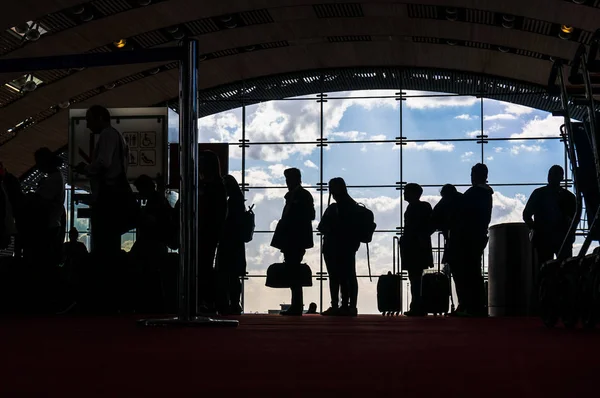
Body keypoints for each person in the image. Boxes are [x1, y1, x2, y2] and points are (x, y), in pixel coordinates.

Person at [75, 105, 133, 258]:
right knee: (111, 239)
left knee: (103, 238)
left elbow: (103, 162)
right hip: (115, 193)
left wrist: (87, 169)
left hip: (107, 195)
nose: (87, 125)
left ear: (100, 118)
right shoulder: (117, 136)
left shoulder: (107, 135)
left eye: (89, 120)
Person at [271, 168, 315, 316]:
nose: (287, 182)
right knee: (293, 270)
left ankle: (296, 305)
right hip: (293, 239)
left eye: (289, 179)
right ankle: (296, 304)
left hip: (295, 239)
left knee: (293, 271)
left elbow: (310, 215)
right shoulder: (296, 196)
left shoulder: (301, 196)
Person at [450, 163, 493, 317]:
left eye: (473, 174)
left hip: (468, 238)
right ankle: (476, 305)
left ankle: (469, 305)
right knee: (473, 271)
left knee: (467, 272)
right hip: (478, 236)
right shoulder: (486, 194)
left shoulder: (474, 193)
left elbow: (464, 213)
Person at [318, 177, 361, 316]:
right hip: (347, 246)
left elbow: (322, 227)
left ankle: (337, 305)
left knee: (335, 277)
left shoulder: (334, 208)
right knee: (348, 276)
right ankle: (349, 306)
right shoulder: (353, 206)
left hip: (334, 246)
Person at [523, 165, 576, 266]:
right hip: (562, 238)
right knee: (566, 269)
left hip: (544, 239)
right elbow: (573, 220)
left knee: (544, 269)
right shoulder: (569, 197)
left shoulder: (539, 193)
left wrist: (535, 229)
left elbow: (526, 215)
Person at [197, 150, 227, 314]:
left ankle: (206, 301)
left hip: (206, 232)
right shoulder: (217, 186)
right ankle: (207, 301)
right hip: (209, 232)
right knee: (206, 266)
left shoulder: (211, 186)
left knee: (204, 266)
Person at [401, 183, 434, 316]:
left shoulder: (416, 207)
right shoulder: (421, 207)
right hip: (415, 244)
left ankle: (417, 305)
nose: (404, 194)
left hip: (414, 246)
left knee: (414, 275)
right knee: (415, 275)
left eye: (406, 191)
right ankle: (417, 304)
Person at [216, 175, 247, 315]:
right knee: (234, 275)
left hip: (229, 242)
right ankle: (234, 303)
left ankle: (229, 303)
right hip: (236, 242)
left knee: (226, 274)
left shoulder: (231, 202)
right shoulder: (238, 201)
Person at [30, 147, 66, 268]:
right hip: (52, 224)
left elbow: (41, 201)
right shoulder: (57, 177)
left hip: (47, 225)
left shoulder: (52, 180)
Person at [432, 184, 463, 275]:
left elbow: (435, 215)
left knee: (456, 269)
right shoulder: (464, 199)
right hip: (469, 240)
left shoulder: (446, 201)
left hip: (453, 240)